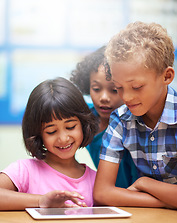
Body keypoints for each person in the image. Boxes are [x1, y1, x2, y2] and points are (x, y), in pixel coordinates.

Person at [93, 21, 177, 209]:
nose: (127, 97)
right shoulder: (120, 119)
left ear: (166, 76)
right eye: (119, 88)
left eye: (137, 87)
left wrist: (145, 184)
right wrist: (168, 201)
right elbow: (102, 193)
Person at [0, 77, 99, 210]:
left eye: (70, 127)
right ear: (38, 133)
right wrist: (41, 201)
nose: (63, 139)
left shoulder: (96, 180)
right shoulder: (24, 171)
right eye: (51, 131)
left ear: (83, 124)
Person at [70, 46, 138, 188]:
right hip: (108, 198)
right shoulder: (84, 117)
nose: (104, 98)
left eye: (114, 90)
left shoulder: (135, 123)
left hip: (136, 198)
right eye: (96, 89)